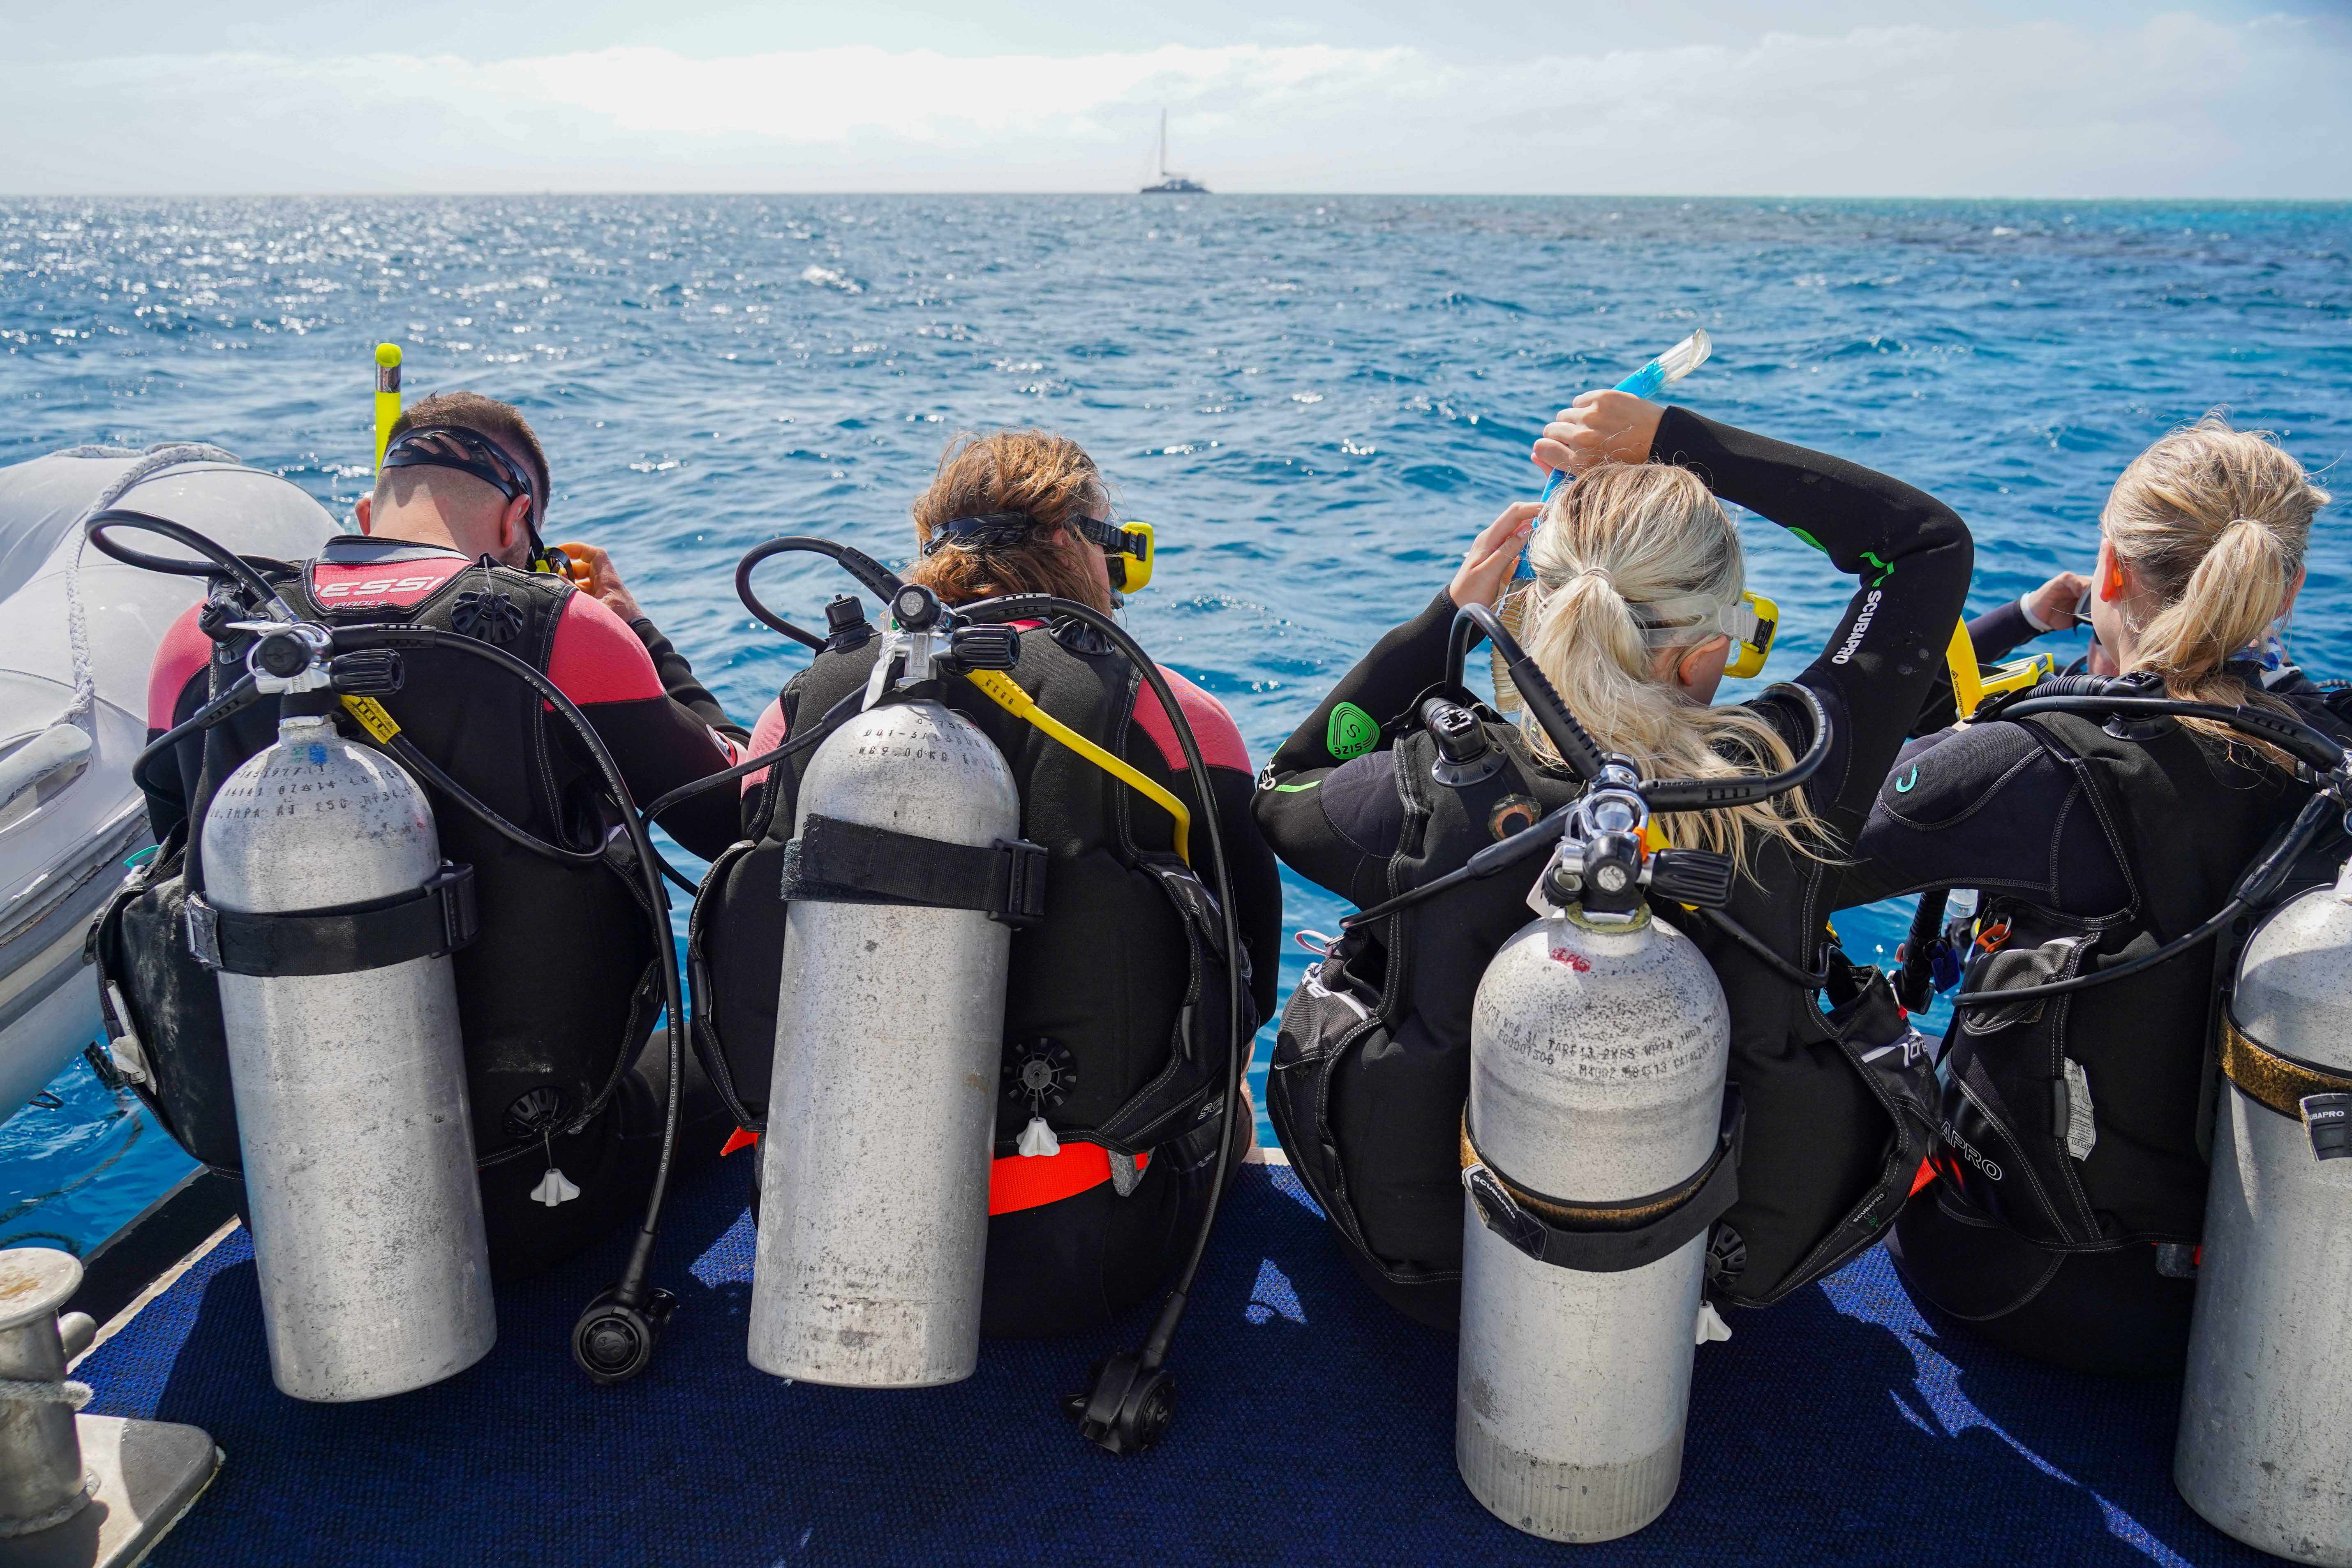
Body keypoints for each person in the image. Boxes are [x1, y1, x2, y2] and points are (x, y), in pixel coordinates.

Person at [1255, 390, 1973, 1330]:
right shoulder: (1790, 780)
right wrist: (1673, 439)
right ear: (1702, 651)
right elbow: (1922, 546)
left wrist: (1443, 624)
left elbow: (1284, 786)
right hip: (1714, 1281)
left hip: (1432, 1274)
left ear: (1530, 615)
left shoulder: (1431, 789)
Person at [117, 390, 747, 1276]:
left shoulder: (203, 638)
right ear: (521, 517)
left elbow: (176, 856)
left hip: (286, 1202)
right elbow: (730, 820)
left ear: (370, 511)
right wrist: (636, 626)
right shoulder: (565, 630)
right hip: (536, 1188)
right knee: (737, 1049)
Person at [693, 428, 1283, 1338]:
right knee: (1235, 1112)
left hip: (810, 1227)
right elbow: (1246, 979)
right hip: (1076, 1256)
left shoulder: (801, 706)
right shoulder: (1171, 715)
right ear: (1082, 548)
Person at [1841, 416, 2346, 1377]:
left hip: (2035, 1288)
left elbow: (1797, 845)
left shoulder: (2043, 766)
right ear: (2287, 586)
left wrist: (1999, 629)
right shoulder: (2331, 760)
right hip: (2266, 1298)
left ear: (2108, 573)